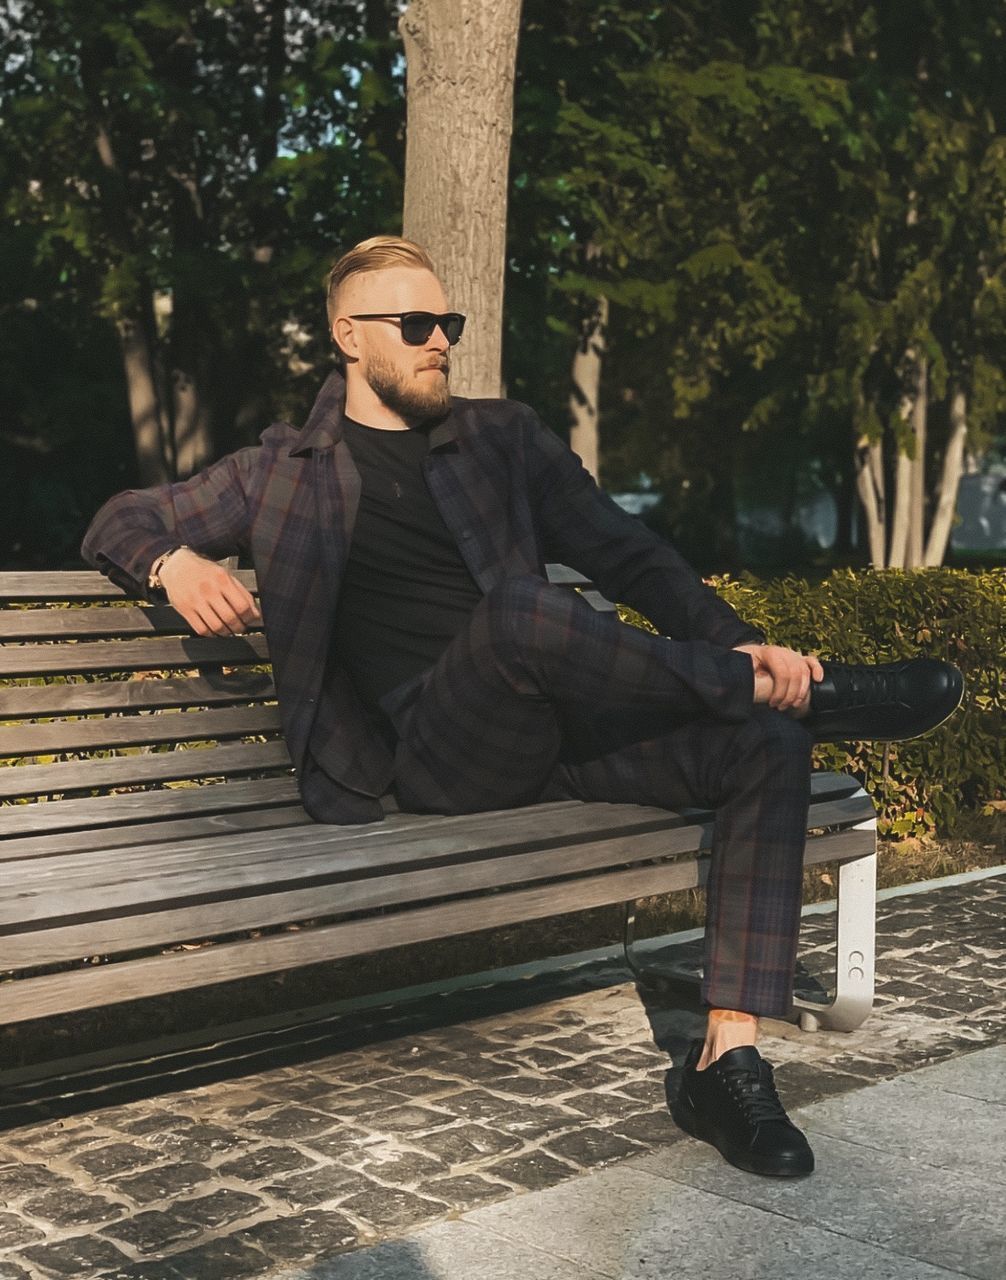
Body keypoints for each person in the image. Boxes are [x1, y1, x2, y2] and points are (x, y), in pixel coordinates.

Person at [81, 235, 963, 1179]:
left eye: (446, 325)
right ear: (348, 335)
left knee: (765, 742)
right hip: (430, 759)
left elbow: (631, 555)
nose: (438, 344)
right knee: (523, 613)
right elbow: (119, 519)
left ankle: (728, 1060)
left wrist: (747, 649)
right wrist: (172, 561)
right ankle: (813, 694)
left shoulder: (501, 438)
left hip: (555, 729)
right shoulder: (281, 472)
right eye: (414, 325)